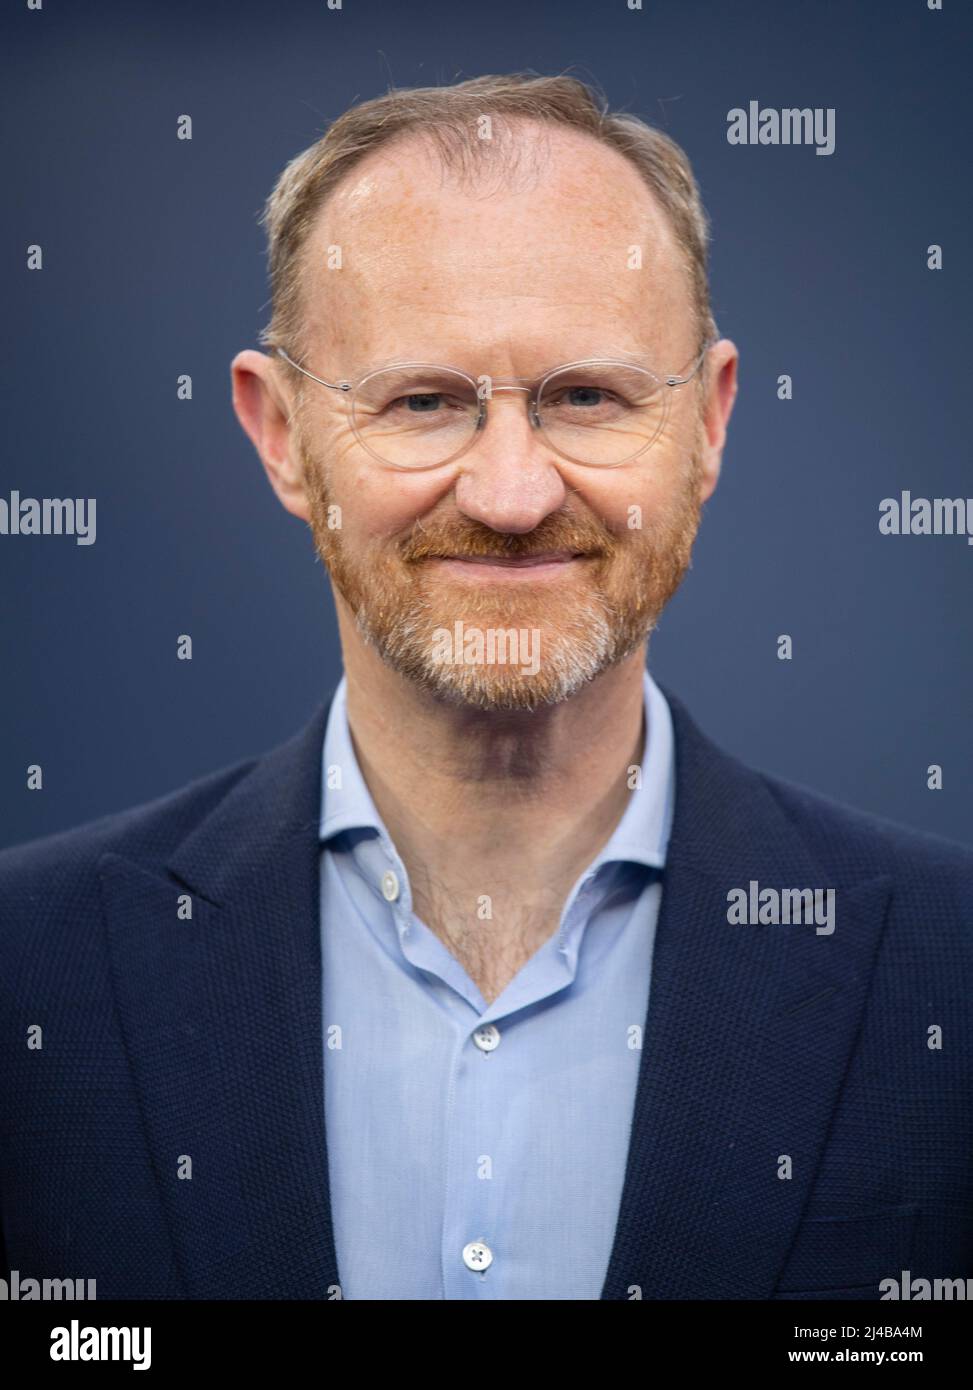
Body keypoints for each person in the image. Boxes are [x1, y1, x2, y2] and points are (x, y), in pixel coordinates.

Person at [1, 74, 970, 1301]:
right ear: (282, 435)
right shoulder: (28, 973)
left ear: (711, 425)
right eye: (422, 402)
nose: (511, 496)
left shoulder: (951, 968)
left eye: (586, 397)